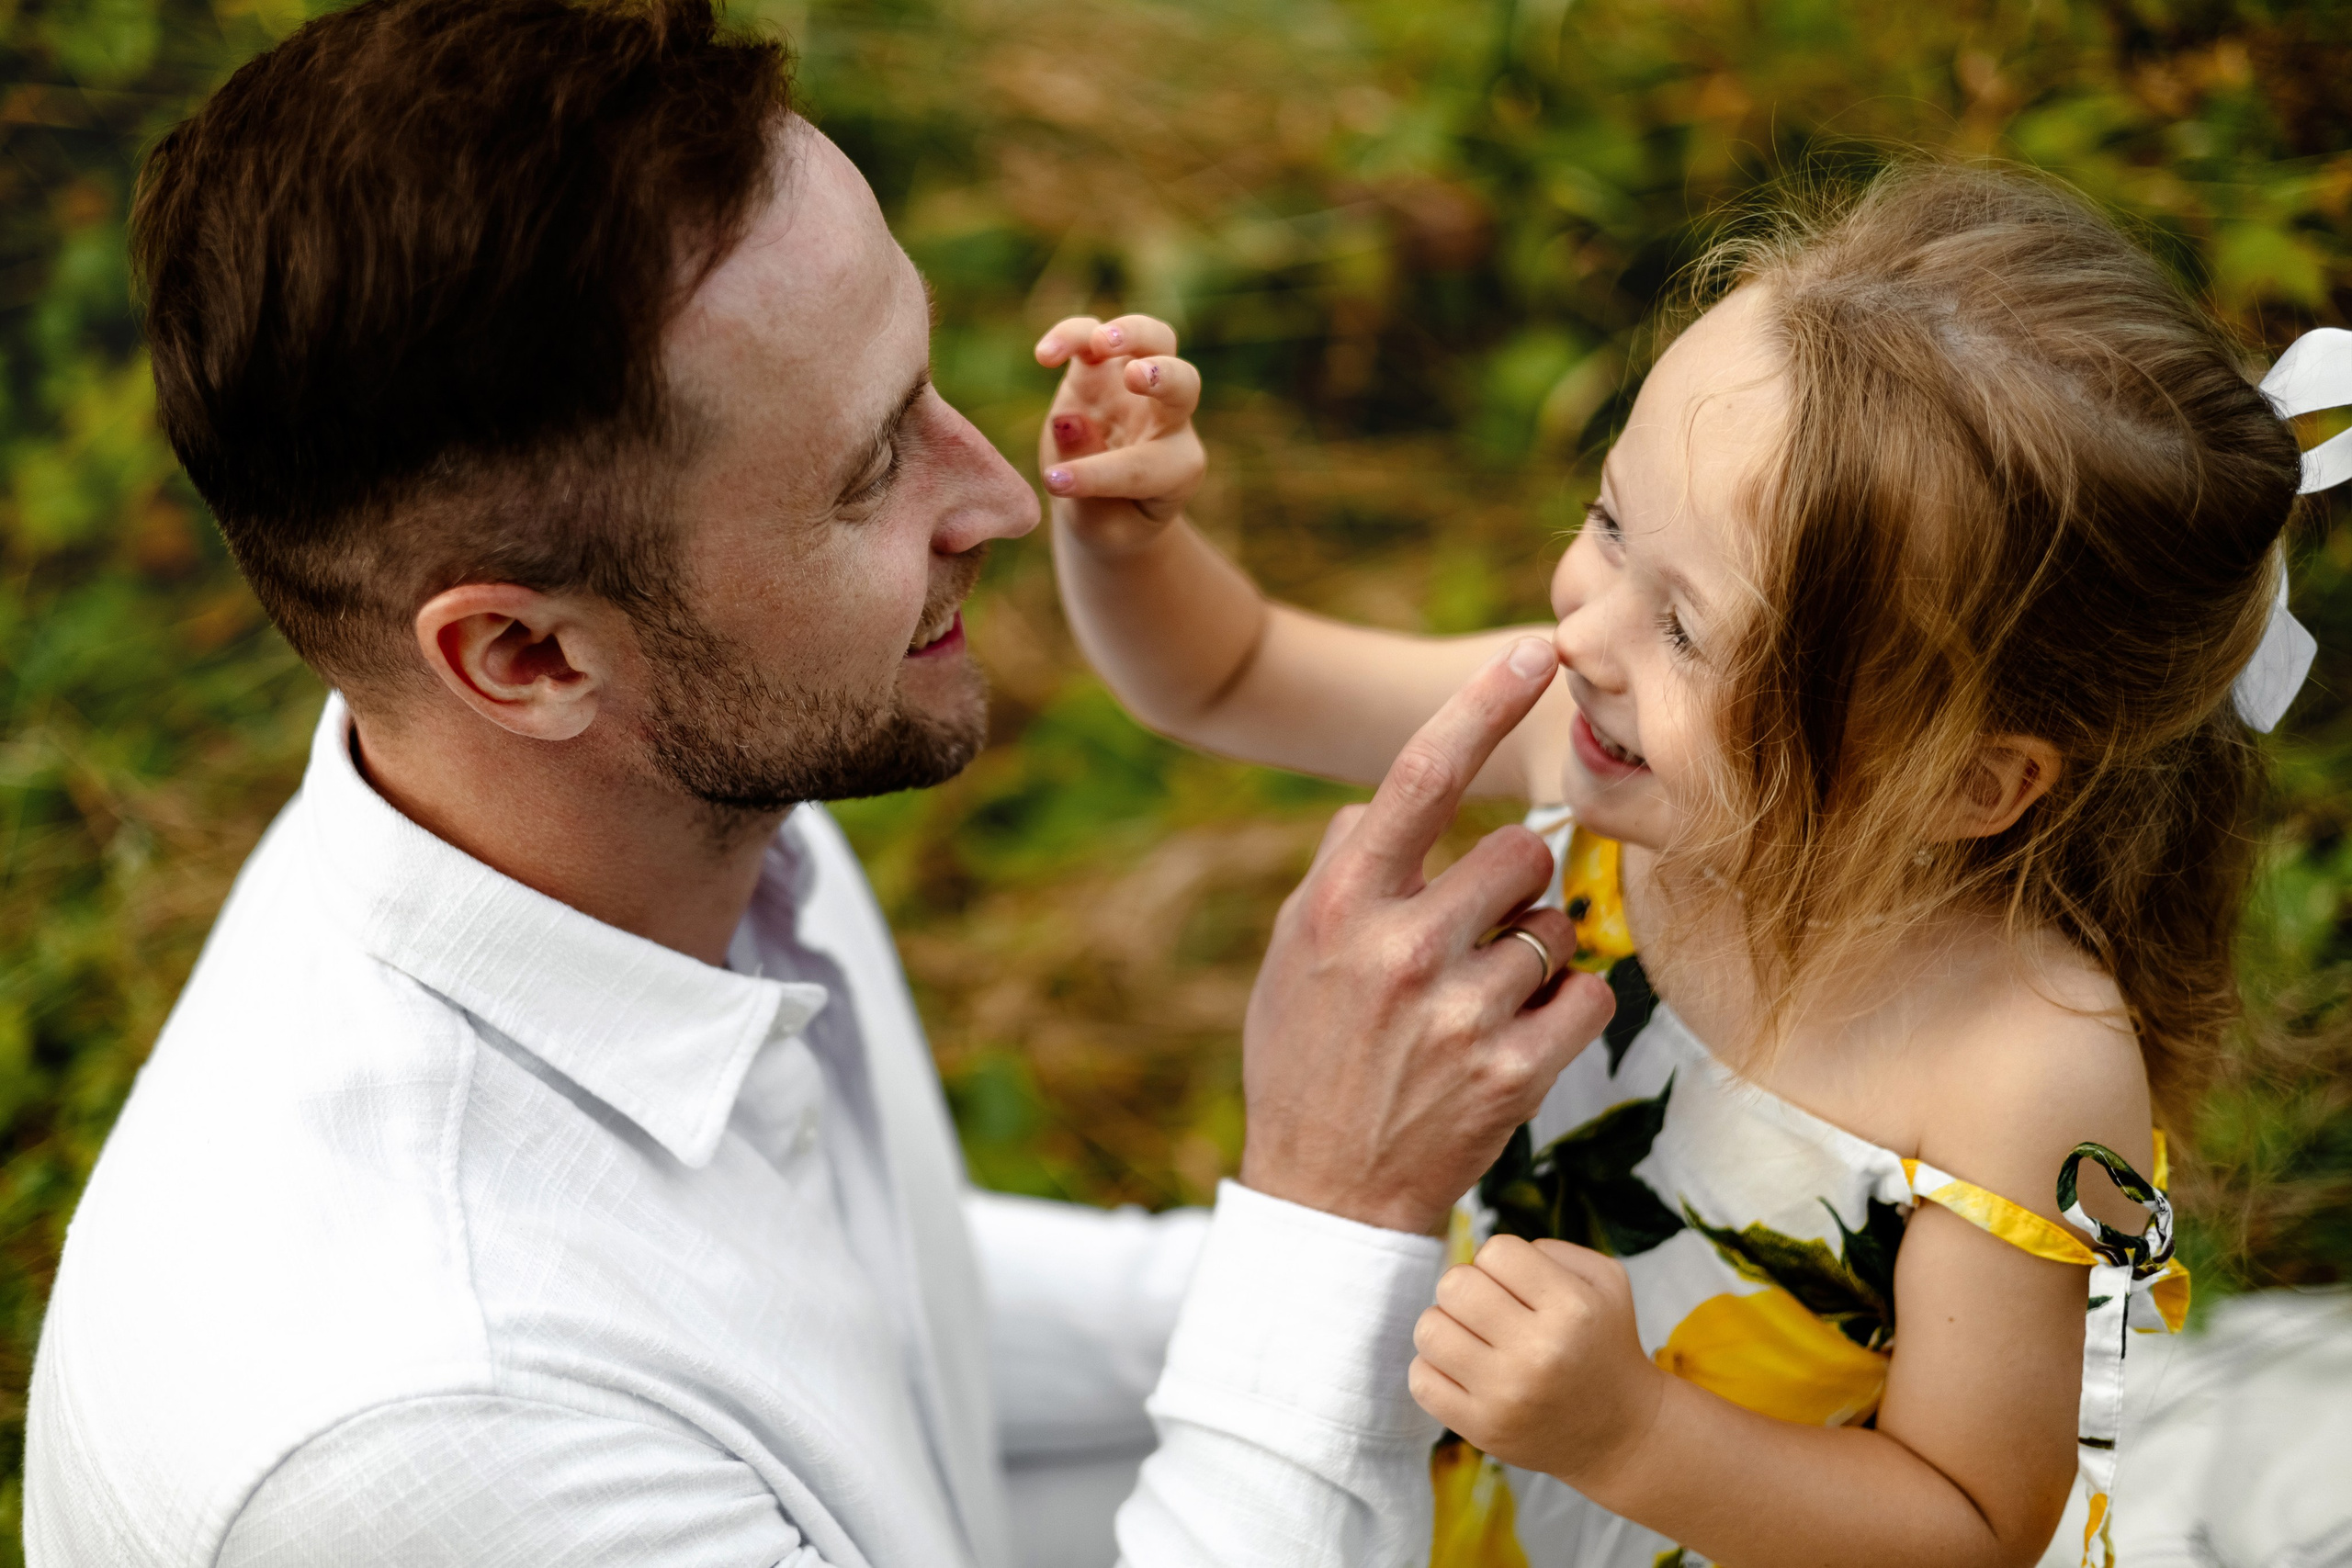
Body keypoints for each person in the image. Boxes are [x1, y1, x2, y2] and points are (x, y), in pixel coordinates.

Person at [21, 1, 1622, 1563]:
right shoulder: (435, 1434)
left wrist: (1428, 1299)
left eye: (926, 382)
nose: (1001, 497)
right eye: (870, 472)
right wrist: (1330, 1205)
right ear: (526, 657)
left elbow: (827, 1295)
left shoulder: (660, 811)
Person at [1036, 164, 2335, 1568]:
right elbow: (1231, 677)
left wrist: (1628, 1433)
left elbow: (1973, 1525)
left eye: (1688, 631)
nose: (1583, 632)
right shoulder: (1585, 734)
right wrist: (1127, 539)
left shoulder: (2019, 1066)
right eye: (1609, 524)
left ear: (1966, 780)